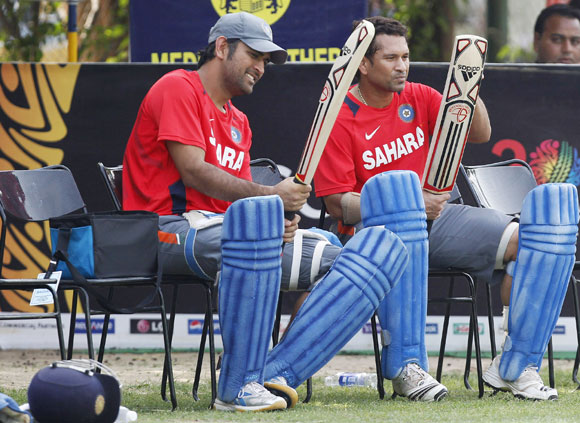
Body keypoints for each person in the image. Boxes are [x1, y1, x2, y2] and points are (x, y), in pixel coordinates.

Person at [122, 12, 413, 412]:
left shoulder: (239, 121)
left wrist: (279, 222)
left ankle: (274, 370)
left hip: (223, 230)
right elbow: (194, 171)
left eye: (266, 61)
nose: (260, 68)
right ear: (222, 47)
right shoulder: (178, 87)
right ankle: (238, 386)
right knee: (255, 232)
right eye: (254, 56)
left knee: (377, 251)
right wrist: (272, 199)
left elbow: (239, 205)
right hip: (164, 231)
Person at [314, 15, 579, 401]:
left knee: (537, 242)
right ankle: (407, 367)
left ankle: (514, 365)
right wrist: (407, 204)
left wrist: (468, 89)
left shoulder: (419, 95)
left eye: (406, 57)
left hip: (444, 218)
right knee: (401, 223)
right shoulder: (340, 115)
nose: (402, 66)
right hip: (379, 233)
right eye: (391, 58)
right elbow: (338, 205)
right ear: (364, 64)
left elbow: (480, 133)